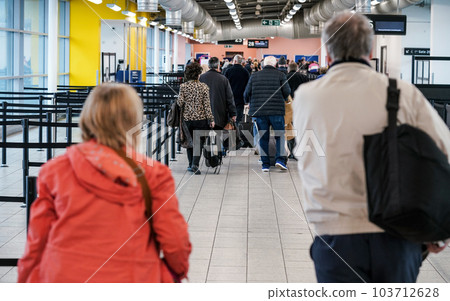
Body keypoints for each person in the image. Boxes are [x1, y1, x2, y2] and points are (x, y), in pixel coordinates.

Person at [293, 12, 450, 283]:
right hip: (397, 233)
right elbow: (443, 154)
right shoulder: (401, 92)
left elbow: (310, 155)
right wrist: (439, 230)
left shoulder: (306, 96)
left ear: (327, 53)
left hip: (334, 234)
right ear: (371, 49)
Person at [18, 83, 191, 282]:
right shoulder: (154, 175)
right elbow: (175, 242)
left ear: (88, 118)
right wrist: (178, 271)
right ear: (134, 121)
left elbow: (36, 242)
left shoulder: (55, 171)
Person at [244, 56, 291, 172]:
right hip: (277, 111)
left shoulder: (254, 76)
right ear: (275, 65)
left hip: (259, 111)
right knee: (279, 135)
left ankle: (265, 164)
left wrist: (249, 102)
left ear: (263, 65)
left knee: (263, 137)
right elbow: (287, 92)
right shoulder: (281, 75)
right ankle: (280, 160)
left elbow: (246, 93)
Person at [177, 63, 215, 175]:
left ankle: (190, 164)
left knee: (189, 142)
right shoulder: (204, 87)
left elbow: (180, 103)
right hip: (201, 119)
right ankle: (195, 164)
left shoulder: (183, 87)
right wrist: (211, 119)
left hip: (187, 119)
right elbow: (207, 105)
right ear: (198, 74)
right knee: (198, 143)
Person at [199, 57, 237, 130]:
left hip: (203, 116)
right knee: (219, 138)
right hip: (220, 116)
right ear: (219, 66)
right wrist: (233, 113)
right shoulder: (223, 79)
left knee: (202, 138)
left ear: (209, 66)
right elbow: (229, 98)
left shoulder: (201, 78)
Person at [225, 55, 250, 124]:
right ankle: (237, 132)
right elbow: (248, 86)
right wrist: (247, 100)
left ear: (235, 61)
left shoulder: (228, 71)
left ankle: (230, 132)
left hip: (229, 98)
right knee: (238, 118)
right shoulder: (245, 72)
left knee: (229, 118)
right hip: (241, 99)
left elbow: (225, 85)